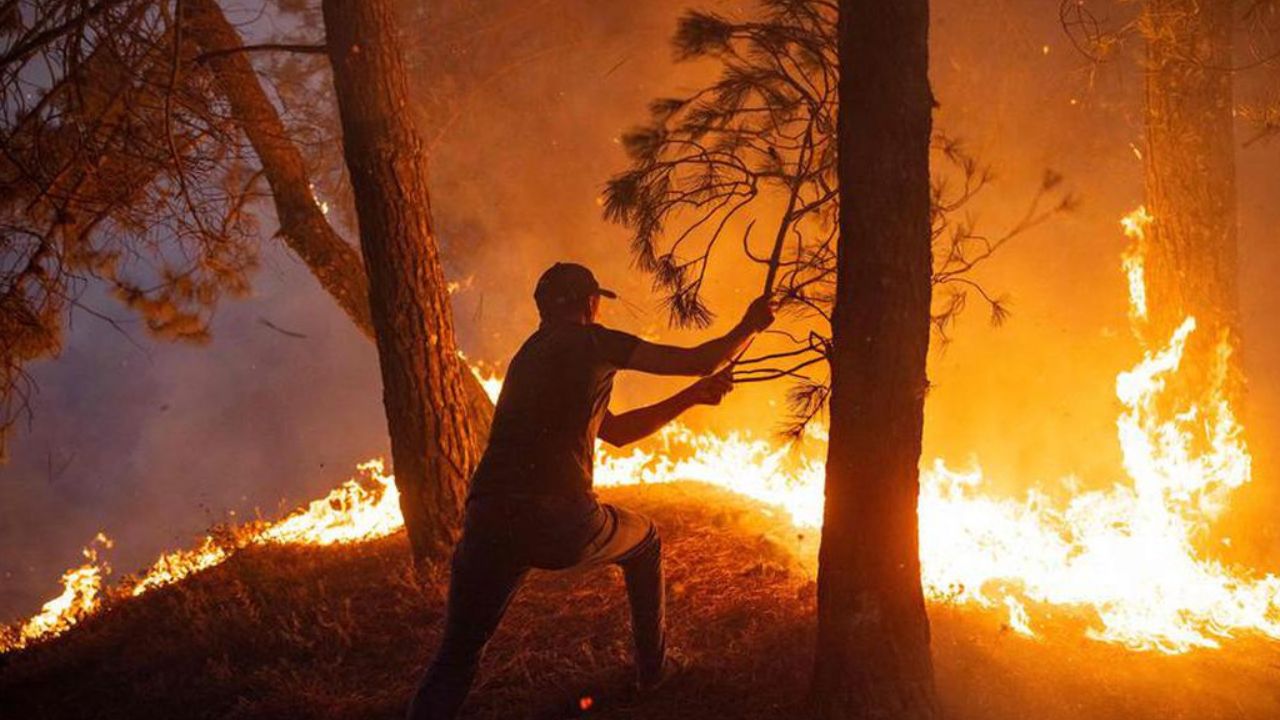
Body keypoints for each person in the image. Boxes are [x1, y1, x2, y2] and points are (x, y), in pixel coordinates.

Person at [408, 262, 775, 720]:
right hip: (560, 520)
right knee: (646, 541)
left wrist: (694, 397)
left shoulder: (526, 359)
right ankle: (653, 670)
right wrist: (749, 325)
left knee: (456, 656)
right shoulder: (592, 341)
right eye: (597, 300)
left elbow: (616, 430)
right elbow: (700, 360)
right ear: (588, 302)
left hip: (487, 518)